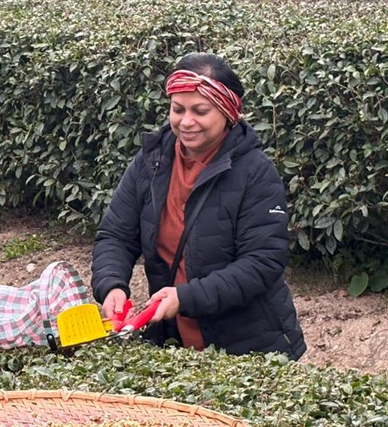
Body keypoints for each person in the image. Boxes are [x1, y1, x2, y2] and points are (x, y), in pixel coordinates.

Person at [91, 53, 306, 360]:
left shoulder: (255, 171)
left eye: (200, 111)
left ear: (228, 112)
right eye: (178, 109)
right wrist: (112, 285)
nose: (186, 122)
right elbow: (116, 235)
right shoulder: (152, 160)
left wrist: (185, 297)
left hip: (249, 346)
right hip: (173, 341)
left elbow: (262, 262)